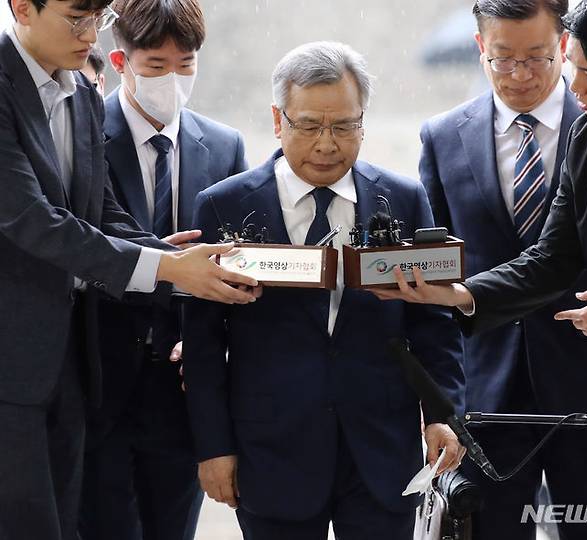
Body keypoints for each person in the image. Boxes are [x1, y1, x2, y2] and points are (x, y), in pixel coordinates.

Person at [375, 1, 587, 538]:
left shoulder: (584, 122)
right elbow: (552, 258)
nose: (573, 87)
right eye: (505, 58)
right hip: (514, 397)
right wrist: (460, 295)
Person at [183, 41, 466, 540]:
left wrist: (444, 415)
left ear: (363, 121)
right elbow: (204, 345)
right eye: (310, 126)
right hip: (270, 453)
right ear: (278, 119)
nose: (327, 144)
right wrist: (213, 448)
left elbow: (433, 324)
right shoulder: (223, 207)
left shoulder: (402, 199)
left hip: (381, 454)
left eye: (343, 126)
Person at [0, 1, 259, 539]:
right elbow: (34, 220)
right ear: (22, 8)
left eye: (98, 17)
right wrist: (167, 266)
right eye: (76, 17)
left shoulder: (81, 93)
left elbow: (99, 213)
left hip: (72, 362)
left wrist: (178, 264)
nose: (90, 33)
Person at [78, 1, 249, 539]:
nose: (172, 80)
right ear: (121, 60)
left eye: (186, 65)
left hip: (181, 388)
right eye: (156, 66)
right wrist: (161, 263)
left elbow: (235, 263)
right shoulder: (81, 133)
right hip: (98, 382)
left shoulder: (223, 146)